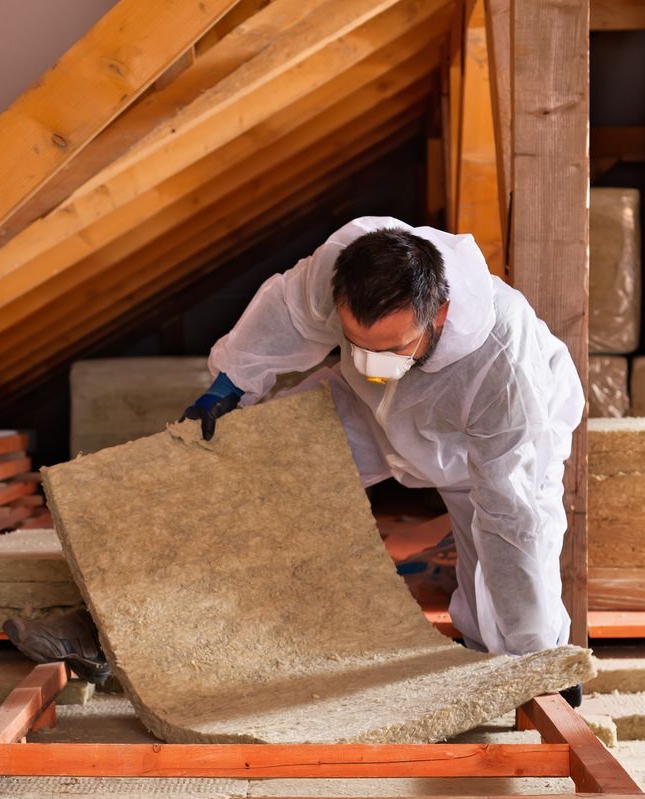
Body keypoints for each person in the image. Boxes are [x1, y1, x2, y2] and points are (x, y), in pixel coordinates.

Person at [182, 218, 583, 658]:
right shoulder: (338, 270)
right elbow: (286, 313)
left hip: (476, 449)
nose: (373, 363)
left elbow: (513, 520)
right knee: (261, 460)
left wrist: (538, 658)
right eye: (358, 344)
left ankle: (528, 650)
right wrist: (230, 385)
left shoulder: (504, 365)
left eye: (392, 349)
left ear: (441, 313)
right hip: (366, 408)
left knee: (498, 589)